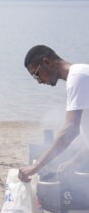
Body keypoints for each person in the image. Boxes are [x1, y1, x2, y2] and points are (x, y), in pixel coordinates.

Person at [20, 45, 89, 181]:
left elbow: (71, 129)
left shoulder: (78, 77)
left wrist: (37, 166)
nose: (39, 82)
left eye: (36, 75)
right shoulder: (80, 75)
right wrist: (73, 162)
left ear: (47, 62)